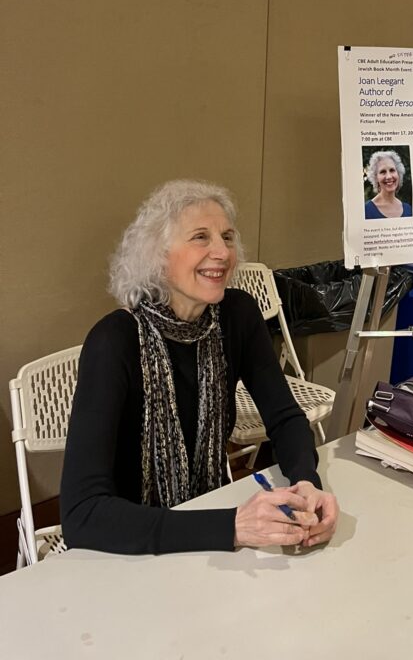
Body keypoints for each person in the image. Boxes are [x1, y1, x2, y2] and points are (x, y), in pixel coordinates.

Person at [61, 179, 339, 555]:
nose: (222, 251)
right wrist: (233, 527)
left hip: (204, 520)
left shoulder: (237, 315)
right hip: (128, 545)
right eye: (200, 237)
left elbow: (285, 416)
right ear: (157, 256)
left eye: (227, 236)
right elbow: (82, 516)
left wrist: (307, 481)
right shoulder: (113, 342)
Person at [364, 149, 412, 219]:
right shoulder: (366, 211)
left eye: (392, 170)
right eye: (383, 171)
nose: (389, 176)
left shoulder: (408, 209)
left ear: (398, 174)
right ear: (375, 177)